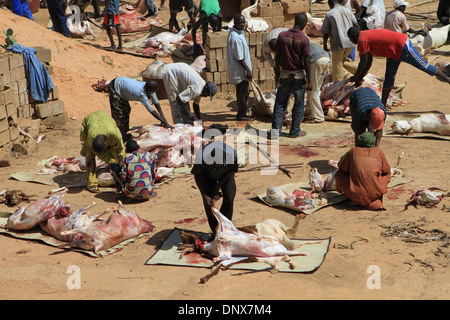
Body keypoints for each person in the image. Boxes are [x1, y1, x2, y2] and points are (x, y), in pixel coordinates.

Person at [347, 27, 450, 107]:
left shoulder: (362, 40)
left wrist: (356, 77)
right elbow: (368, 61)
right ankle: (382, 105)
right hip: (393, 52)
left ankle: (448, 79)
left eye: (350, 38)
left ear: (354, 35)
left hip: (402, 46)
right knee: (389, 77)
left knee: (424, 65)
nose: (351, 41)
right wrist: (359, 78)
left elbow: (363, 62)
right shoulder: (364, 36)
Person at [271, 12, 312, 138]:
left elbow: (277, 57)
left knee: (280, 103)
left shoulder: (282, 36)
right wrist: (309, 80)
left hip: (284, 74)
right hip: (299, 76)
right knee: (298, 104)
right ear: (304, 24)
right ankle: (294, 131)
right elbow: (307, 61)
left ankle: (275, 132)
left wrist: (277, 74)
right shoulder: (304, 40)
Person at [335, 131, 391, 211]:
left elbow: (342, 168)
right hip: (375, 193)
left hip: (354, 193)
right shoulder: (378, 152)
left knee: (339, 174)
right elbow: (386, 170)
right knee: (387, 174)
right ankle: (373, 200)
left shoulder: (353, 151)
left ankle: (354, 199)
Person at [191, 141, 239, 233]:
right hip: (207, 176)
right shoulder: (201, 157)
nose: (216, 168)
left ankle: (225, 228)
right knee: (208, 202)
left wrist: (217, 186)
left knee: (229, 197)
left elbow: (231, 172)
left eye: (218, 166)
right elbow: (198, 175)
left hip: (225, 176)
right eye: (213, 165)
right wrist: (204, 194)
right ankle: (215, 230)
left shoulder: (232, 156)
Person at [108, 77, 173, 142]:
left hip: (122, 87)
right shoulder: (141, 93)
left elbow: (156, 102)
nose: (156, 90)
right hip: (115, 88)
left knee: (126, 110)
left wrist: (163, 117)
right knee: (120, 114)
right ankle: (124, 137)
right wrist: (165, 122)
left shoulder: (149, 87)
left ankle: (126, 134)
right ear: (149, 90)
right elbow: (151, 110)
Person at [80, 110, 125, 193]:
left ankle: (121, 174)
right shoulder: (90, 139)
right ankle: (91, 183)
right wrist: (113, 161)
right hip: (90, 120)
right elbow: (102, 155)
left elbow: (120, 147)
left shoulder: (114, 134)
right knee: (89, 158)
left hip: (105, 119)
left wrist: (122, 160)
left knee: (116, 152)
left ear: (105, 143)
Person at [322, 0, 358, 82]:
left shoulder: (330, 14)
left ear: (330, 4)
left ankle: (337, 85)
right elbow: (356, 24)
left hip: (338, 44)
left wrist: (325, 44)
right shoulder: (348, 11)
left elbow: (325, 32)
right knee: (344, 61)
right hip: (350, 42)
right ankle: (363, 72)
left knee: (337, 66)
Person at [226, 13, 253, 121]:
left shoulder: (238, 33)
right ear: (235, 23)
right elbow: (239, 57)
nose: (243, 24)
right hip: (240, 70)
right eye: (241, 22)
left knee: (243, 92)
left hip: (241, 69)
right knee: (243, 93)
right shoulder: (235, 37)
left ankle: (242, 113)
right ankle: (241, 114)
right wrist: (248, 70)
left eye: (244, 22)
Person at [305, 43, 330, 123]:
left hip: (316, 61)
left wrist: (308, 81)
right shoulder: (309, 44)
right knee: (316, 89)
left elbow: (306, 62)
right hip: (327, 60)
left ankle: (319, 117)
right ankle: (310, 113)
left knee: (313, 90)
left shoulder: (300, 47)